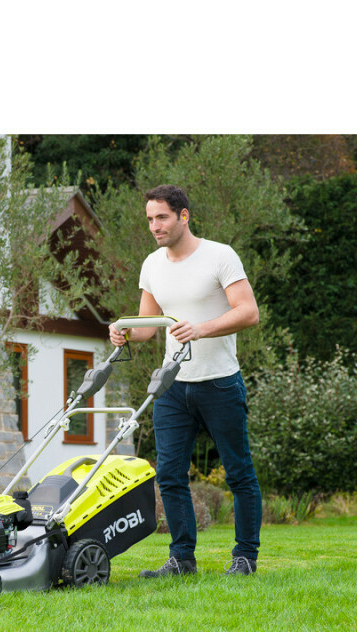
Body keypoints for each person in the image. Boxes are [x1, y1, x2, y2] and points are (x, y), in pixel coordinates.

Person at [108, 184, 263, 576]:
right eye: (150, 219)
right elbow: (147, 327)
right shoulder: (151, 265)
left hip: (220, 382)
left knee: (239, 473)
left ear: (183, 216)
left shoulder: (220, 256)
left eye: (161, 217)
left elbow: (248, 312)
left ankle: (245, 558)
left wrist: (201, 328)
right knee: (170, 475)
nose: (154, 226)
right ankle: (181, 559)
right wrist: (124, 330)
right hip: (172, 386)